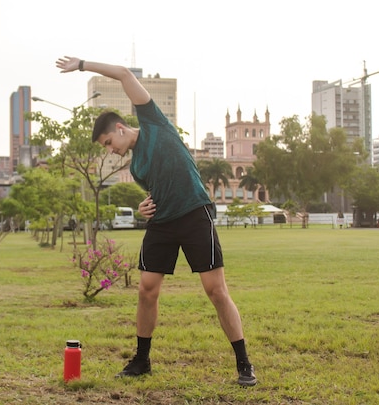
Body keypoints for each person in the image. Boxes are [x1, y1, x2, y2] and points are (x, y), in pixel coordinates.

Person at [55, 56, 257, 387]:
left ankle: (244, 363)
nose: (111, 151)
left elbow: (121, 73)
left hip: (194, 213)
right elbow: (154, 192)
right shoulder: (135, 168)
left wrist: (81, 65)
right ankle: (141, 360)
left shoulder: (153, 122)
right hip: (163, 223)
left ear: (119, 128)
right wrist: (144, 207)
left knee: (216, 290)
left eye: (108, 144)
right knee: (147, 290)